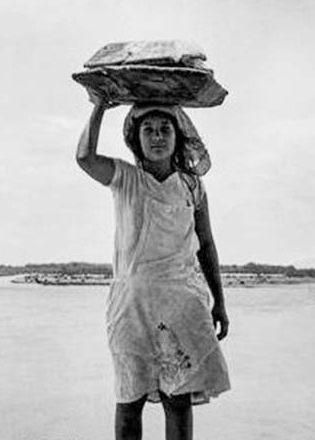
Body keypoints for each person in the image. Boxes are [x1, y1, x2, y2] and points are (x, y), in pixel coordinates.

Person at [76, 91, 231, 440]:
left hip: (183, 305)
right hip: (131, 308)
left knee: (178, 400)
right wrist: (100, 106)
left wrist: (219, 301)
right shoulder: (125, 178)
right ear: (136, 137)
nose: (158, 137)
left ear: (178, 138)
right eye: (149, 129)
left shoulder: (192, 185)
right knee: (129, 398)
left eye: (165, 129)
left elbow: (206, 244)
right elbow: (85, 157)